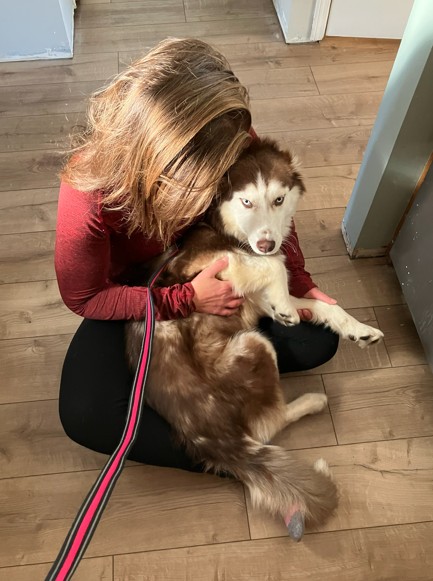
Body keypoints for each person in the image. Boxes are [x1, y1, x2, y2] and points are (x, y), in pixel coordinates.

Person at [55, 38, 339, 473]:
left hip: (211, 257)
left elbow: (269, 210)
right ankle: (234, 460)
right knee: (85, 412)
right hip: (137, 289)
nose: (209, 195)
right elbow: (85, 297)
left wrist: (298, 279)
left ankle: (207, 387)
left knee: (320, 338)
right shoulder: (88, 192)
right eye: (197, 187)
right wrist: (186, 299)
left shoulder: (227, 135)